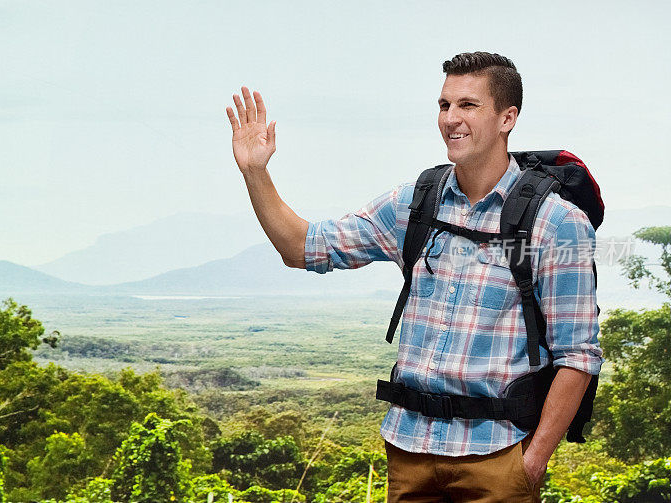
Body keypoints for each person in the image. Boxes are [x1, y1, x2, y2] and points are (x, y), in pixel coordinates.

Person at [226, 51, 603, 502]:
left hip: (498, 455)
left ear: (508, 117)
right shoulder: (414, 204)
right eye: (444, 105)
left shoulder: (556, 223)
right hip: (409, 450)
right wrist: (255, 172)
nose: (450, 119)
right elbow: (303, 247)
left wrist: (532, 462)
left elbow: (578, 355)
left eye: (468, 105)